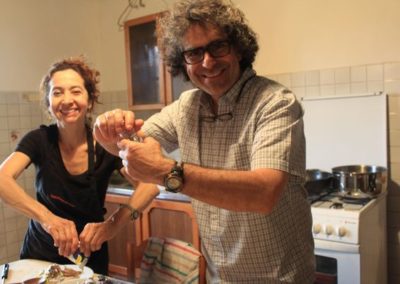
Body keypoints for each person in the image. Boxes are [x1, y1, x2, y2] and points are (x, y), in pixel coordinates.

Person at [94, 0, 315, 282]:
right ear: (182, 61)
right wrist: (110, 131)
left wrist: (166, 171)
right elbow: (134, 146)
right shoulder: (187, 106)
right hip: (219, 277)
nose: (207, 62)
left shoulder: (274, 103)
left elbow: (264, 194)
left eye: (217, 46)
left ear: (237, 48)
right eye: (194, 53)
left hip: (280, 278)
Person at [0, 56, 157, 275]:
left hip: (90, 256)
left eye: (75, 91)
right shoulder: (38, 140)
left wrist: (112, 225)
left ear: (90, 100)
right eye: (57, 92)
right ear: (48, 103)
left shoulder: (106, 145)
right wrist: (49, 220)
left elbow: (149, 184)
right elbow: (2, 180)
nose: (66, 100)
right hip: (40, 255)